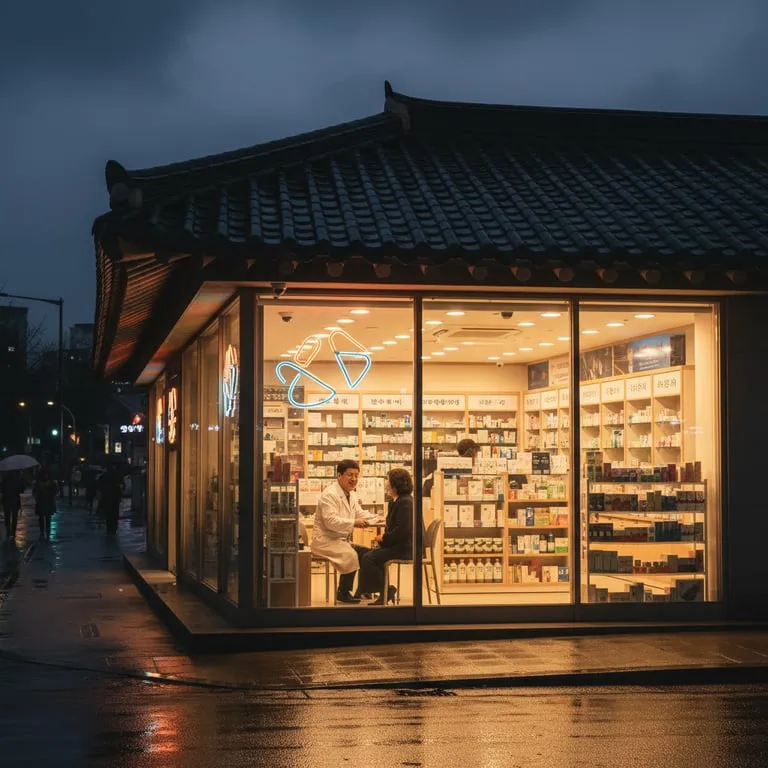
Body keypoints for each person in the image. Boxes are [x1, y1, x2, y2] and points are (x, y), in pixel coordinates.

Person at [310, 459, 379, 604]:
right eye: (349, 475)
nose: (353, 479)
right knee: (351, 554)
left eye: (356, 475)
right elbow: (331, 522)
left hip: (339, 540)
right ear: (339, 475)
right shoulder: (329, 495)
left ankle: (364, 590)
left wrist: (378, 518)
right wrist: (354, 523)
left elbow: (359, 513)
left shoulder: (351, 494)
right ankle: (343, 592)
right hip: (325, 541)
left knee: (368, 554)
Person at [359, 467, 414, 606]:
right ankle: (383, 591)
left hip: (406, 548)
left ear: (395, 484)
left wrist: (383, 538)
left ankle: (384, 592)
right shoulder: (396, 501)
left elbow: (403, 530)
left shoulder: (405, 502)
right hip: (399, 545)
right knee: (369, 554)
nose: (386, 483)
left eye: (388, 480)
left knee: (369, 558)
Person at [98, 463, 124, 535]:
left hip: (107, 497)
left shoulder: (104, 476)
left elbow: (100, 486)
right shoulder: (118, 475)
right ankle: (114, 527)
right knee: (115, 513)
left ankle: (109, 527)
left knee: (108, 513)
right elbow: (122, 486)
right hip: (115, 497)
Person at [33, 467, 58, 540]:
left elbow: (55, 492)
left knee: (47, 518)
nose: (45, 476)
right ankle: (42, 531)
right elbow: (34, 492)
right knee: (41, 518)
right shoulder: (38, 483)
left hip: (48, 502)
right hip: (41, 502)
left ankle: (47, 530)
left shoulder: (52, 483)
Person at [1, 470, 24, 539]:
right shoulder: (18, 479)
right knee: (14, 517)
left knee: (7, 516)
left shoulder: (4, 478)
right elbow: (22, 490)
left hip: (6, 500)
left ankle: (8, 531)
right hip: (15, 500)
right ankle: (13, 531)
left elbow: (1, 489)